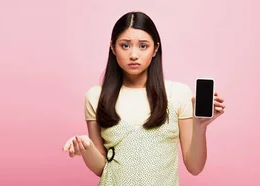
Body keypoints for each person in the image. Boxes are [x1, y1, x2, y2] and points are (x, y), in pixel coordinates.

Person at [61, 11, 226, 186]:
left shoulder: (177, 94)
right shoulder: (96, 96)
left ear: (155, 48)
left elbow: (195, 167)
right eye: (125, 46)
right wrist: (86, 147)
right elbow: (102, 168)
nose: (133, 55)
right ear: (112, 47)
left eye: (143, 46)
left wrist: (200, 127)